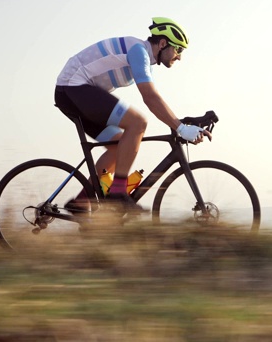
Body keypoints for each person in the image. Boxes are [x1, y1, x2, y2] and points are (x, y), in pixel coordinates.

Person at [54, 17, 211, 213]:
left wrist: (181, 123)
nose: (179, 56)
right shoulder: (138, 51)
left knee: (119, 145)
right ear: (163, 43)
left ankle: (81, 201)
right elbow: (150, 97)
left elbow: (155, 98)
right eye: (178, 49)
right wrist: (179, 127)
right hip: (72, 87)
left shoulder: (144, 58)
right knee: (138, 123)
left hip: (73, 94)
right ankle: (118, 193)